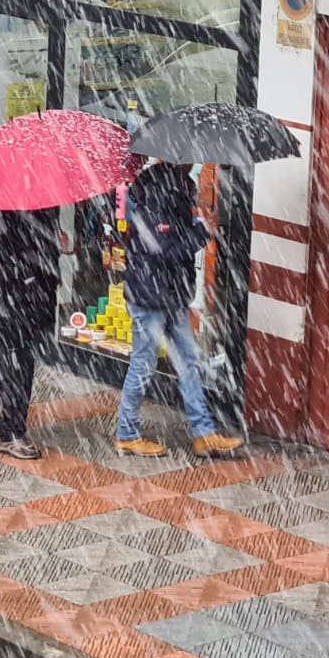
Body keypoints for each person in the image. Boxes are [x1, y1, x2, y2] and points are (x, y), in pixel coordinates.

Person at [114, 161, 244, 459]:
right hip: (150, 298)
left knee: (188, 363)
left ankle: (203, 433)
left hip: (170, 295)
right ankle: (126, 434)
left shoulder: (176, 189)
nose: (196, 165)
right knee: (143, 365)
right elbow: (164, 250)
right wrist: (202, 232)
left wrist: (198, 223)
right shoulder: (159, 195)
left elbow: (172, 240)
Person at [0, 208, 58, 460]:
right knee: (19, 357)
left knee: (12, 350)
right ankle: (11, 434)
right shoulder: (7, 202)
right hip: (13, 291)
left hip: (24, 290)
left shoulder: (31, 198)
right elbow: (0, 250)